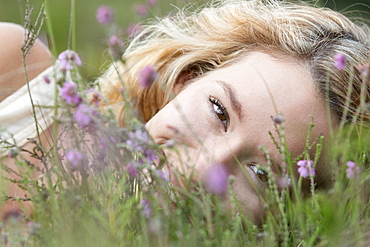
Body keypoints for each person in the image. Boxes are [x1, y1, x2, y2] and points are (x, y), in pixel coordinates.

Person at [1, 0, 369, 223]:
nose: (202, 169)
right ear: (187, 77)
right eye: (219, 111)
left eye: (261, 174)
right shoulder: (15, 76)